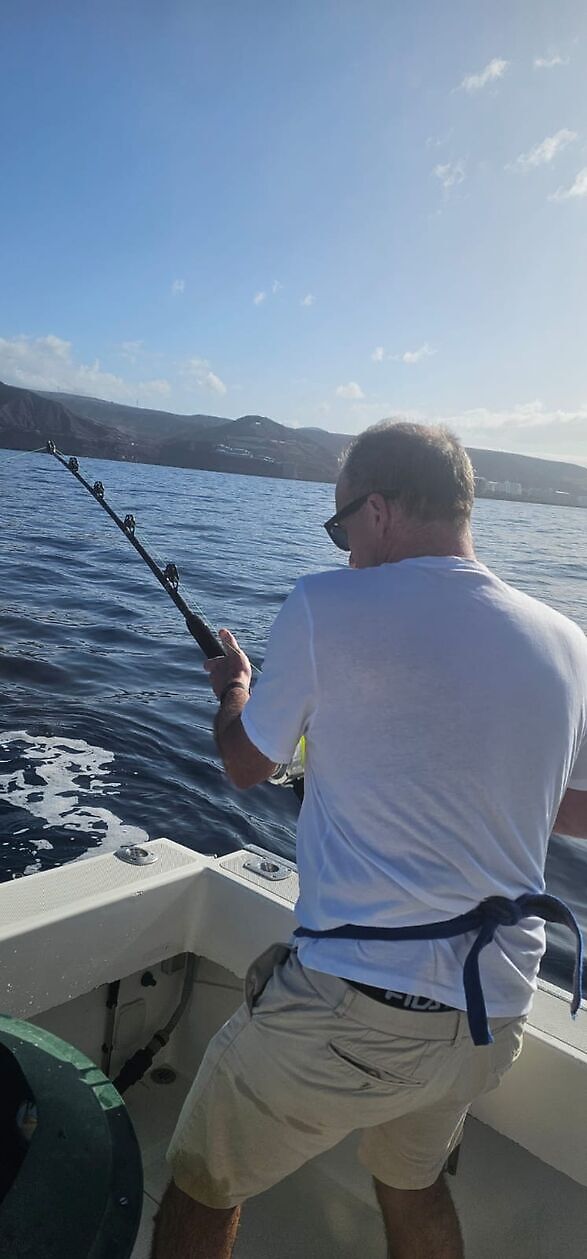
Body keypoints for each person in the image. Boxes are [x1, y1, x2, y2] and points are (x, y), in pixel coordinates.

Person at [152, 421, 587, 1259]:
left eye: (340, 525)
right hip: (491, 1012)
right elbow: (574, 810)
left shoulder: (325, 605)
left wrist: (236, 689)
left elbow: (246, 763)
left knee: (203, 1181)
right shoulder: (565, 640)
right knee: (411, 1184)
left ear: (378, 511)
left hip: (356, 1014)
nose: (344, 549)